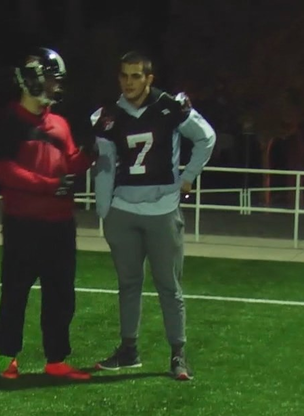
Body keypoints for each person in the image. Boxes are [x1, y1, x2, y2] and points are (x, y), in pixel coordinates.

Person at [90, 51, 216, 380]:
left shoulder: (170, 108)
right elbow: (103, 167)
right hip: (123, 211)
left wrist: (189, 176)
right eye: (124, 76)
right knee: (128, 284)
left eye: (136, 76)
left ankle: (178, 354)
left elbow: (206, 137)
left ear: (149, 79)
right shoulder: (108, 115)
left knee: (168, 286)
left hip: (162, 210)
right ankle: (128, 350)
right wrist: (104, 212)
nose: (129, 82)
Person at [0, 47, 93, 381]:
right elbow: (6, 172)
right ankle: (8, 357)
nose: (54, 86)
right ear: (31, 79)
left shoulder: (60, 123)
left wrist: (92, 151)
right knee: (16, 291)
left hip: (60, 225)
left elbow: (72, 163)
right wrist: (50, 185)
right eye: (49, 79)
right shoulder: (8, 120)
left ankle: (57, 358)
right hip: (23, 224)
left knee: (61, 293)